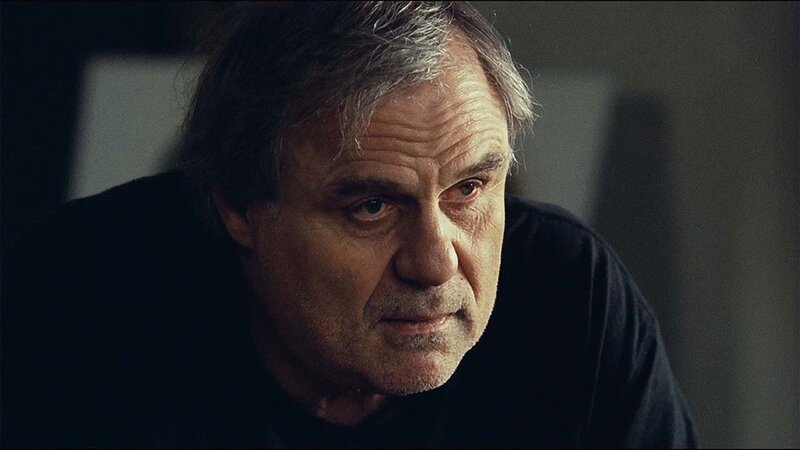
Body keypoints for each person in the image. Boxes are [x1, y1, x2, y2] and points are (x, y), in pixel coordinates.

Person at [2, 2, 697, 447]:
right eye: (371, 207)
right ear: (239, 207)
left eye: (468, 189)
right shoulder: (76, 300)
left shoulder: (570, 299)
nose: (435, 262)